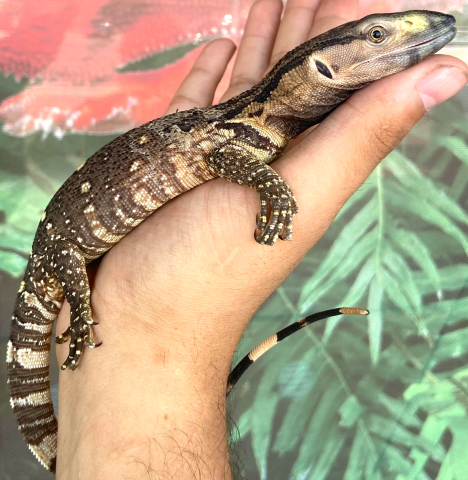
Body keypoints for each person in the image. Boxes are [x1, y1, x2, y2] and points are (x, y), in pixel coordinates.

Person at [55, 0, 468, 477]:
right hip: (65, 250)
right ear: (320, 66)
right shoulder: (249, 134)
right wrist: (272, 187)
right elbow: (223, 160)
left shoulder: (260, 126)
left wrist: (141, 325)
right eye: (377, 36)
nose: (397, 38)